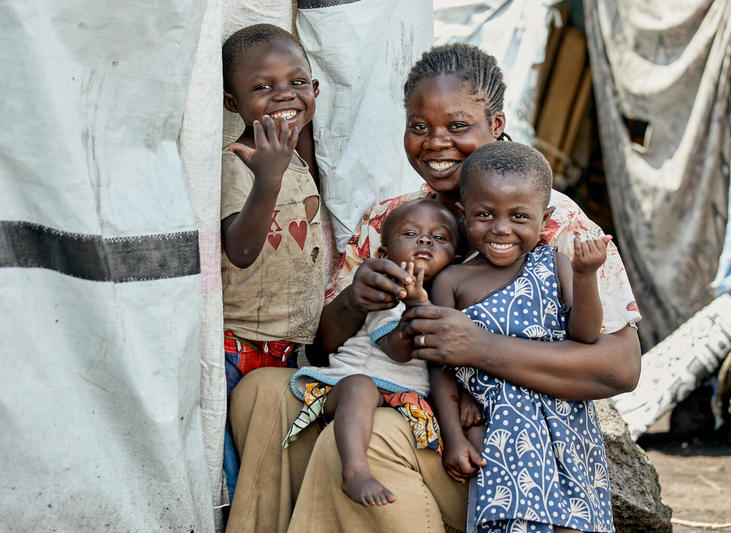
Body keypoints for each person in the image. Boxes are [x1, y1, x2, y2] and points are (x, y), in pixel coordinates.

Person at [226, 43, 641, 533]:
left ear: (497, 124)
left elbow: (621, 366)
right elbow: (324, 353)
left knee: (372, 437)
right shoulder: (389, 219)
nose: (436, 143)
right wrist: (355, 301)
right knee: (262, 392)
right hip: (399, 397)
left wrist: (480, 347)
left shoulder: (552, 223)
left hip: (499, 450)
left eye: (458, 126)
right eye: (419, 127)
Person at [429, 141, 615, 533]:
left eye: (518, 216)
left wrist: (585, 277)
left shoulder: (555, 264)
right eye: (484, 214)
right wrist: (454, 436)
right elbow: (440, 367)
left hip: (567, 422)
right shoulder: (451, 282)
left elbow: (583, 336)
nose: (501, 228)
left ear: (544, 218)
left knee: (575, 523)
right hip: (502, 428)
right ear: (462, 215)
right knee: (514, 520)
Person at [282, 199, 459, 507]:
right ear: (384, 255)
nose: (425, 240)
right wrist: (414, 304)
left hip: (399, 396)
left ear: (455, 261)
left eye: (439, 238)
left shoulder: (452, 305)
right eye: (410, 233)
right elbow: (398, 350)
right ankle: (354, 471)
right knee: (360, 387)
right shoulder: (387, 297)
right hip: (349, 383)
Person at [219, 24, 326, 501]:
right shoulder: (235, 163)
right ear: (230, 101)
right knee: (232, 475)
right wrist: (268, 179)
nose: (285, 95)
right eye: (262, 87)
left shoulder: (301, 162)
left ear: (315, 88)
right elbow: (240, 251)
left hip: (283, 354)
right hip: (235, 350)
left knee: (269, 478)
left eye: (297, 82)